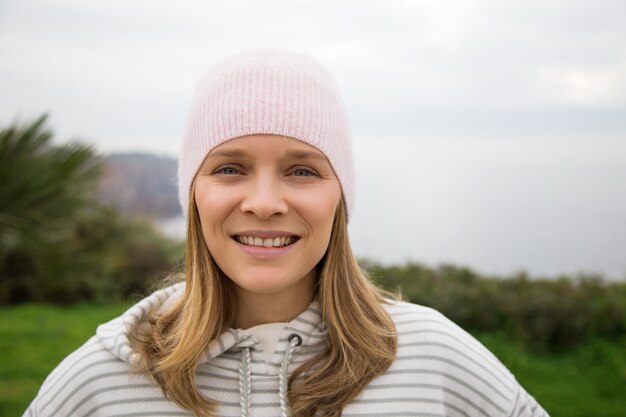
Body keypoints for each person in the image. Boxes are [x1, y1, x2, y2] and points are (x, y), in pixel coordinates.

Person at [23, 48, 549, 417]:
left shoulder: (435, 360)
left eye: (303, 170)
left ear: (340, 196)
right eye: (229, 168)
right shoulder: (101, 382)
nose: (266, 204)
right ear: (193, 196)